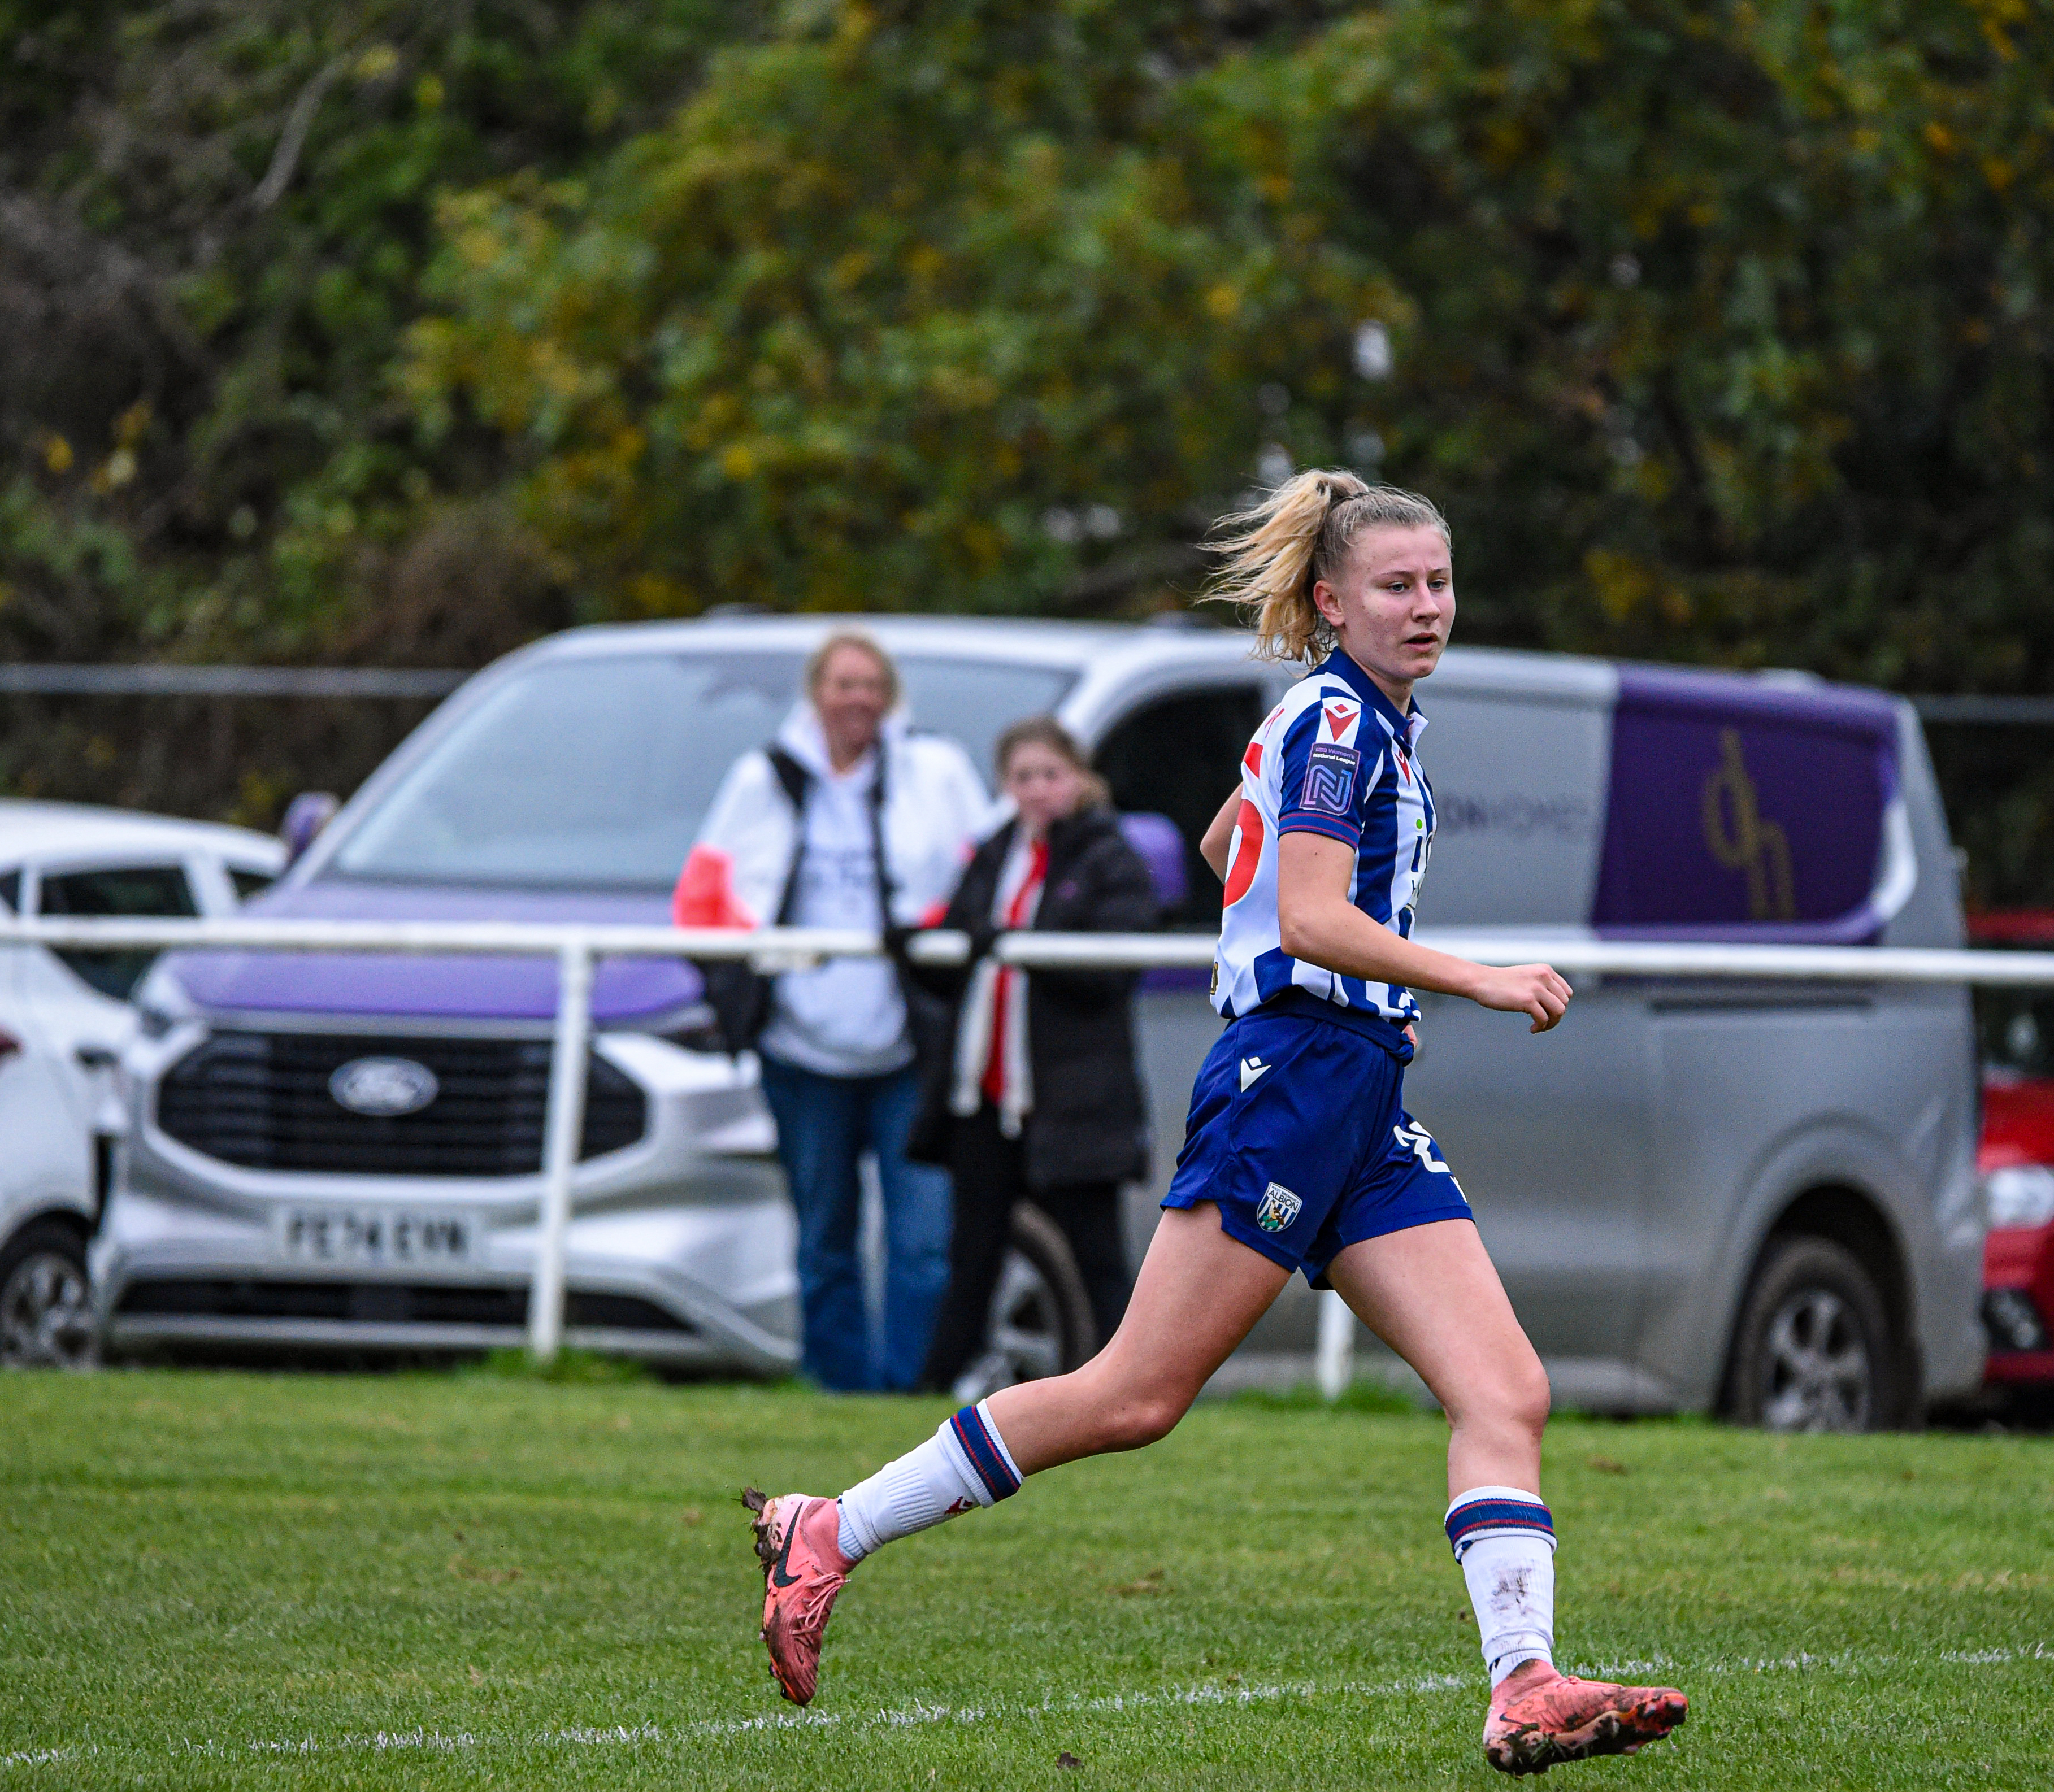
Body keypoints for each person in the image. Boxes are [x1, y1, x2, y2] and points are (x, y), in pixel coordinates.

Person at [740, 471, 1687, 1776]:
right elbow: (1305, 917)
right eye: (1395, 587)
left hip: (1355, 1096)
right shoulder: (1345, 727)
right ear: (1330, 601)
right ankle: (828, 1528)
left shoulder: (1362, 724)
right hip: (1290, 1081)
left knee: (1503, 1388)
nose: (1425, 607)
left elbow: (1224, 845)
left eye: (1437, 582)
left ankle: (1522, 1684)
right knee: (1133, 1395)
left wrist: (1271, 859)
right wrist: (1476, 975)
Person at [676, 631, 989, 1392]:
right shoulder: (765, 780)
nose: (859, 700)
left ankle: (908, 1394)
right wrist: (741, 991)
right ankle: (838, 1389)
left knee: (921, 1241)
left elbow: (985, 875)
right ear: (815, 694)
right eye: (843, 684)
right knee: (824, 1237)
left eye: (872, 684)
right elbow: (700, 901)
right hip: (800, 1048)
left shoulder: (935, 771)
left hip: (907, 1048)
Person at [915, 716, 1161, 1394]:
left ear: (1078, 777)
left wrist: (1020, 945)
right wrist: (914, 945)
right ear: (1005, 785)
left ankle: (1134, 1389)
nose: (1038, 790)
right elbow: (961, 949)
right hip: (987, 1094)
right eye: (1023, 777)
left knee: (1097, 1258)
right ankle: (930, 1390)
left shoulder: (1107, 855)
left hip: (1074, 1096)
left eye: (1051, 774)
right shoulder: (993, 853)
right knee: (974, 1254)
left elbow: (1113, 970)